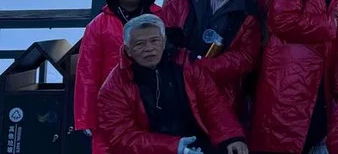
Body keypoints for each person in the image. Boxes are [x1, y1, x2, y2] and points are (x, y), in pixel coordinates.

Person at [250, 0, 338, 154]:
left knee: (312, 132)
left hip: (320, 75)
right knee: (284, 134)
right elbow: (281, 21)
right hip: (288, 72)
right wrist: (325, 27)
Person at [97, 15, 248, 154]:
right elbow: (121, 137)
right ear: (128, 50)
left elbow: (213, 104)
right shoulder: (114, 87)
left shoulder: (187, 65)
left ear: (163, 43)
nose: (149, 48)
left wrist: (232, 136)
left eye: (154, 41)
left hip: (197, 145)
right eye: (140, 44)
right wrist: (175, 146)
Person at [160, 0, 262, 114]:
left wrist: (207, 66)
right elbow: (160, 33)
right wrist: (180, 59)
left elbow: (246, 56)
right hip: (174, 81)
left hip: (217, 88)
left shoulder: (248, 12)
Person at [74, 0, 161, 154]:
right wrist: (87, 117)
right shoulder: (99, 25)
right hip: (111, 104)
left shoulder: (161, 17)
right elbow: (87, 72)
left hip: (156, 101)